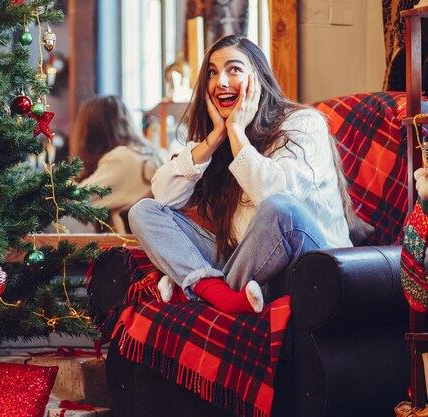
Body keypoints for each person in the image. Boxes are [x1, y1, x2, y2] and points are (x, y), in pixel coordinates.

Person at [128, 34, 354, 314]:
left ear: (258, 79)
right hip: (249, 266)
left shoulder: (304, 123)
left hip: (310, 260)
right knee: (144, 212)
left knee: (279, 207)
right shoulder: (219, 142)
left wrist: (237, 133)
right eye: (212, 72)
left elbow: (279, 199)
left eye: (234, 69)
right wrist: (214, 139)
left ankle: (206, 299)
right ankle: (222, 296)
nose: (221, 82)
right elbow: (163, 195)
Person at [73, 95, 167, 234]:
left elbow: (75, 202)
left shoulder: (121, 159)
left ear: (92, 131)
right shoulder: (150, 151)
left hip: (129, 250)